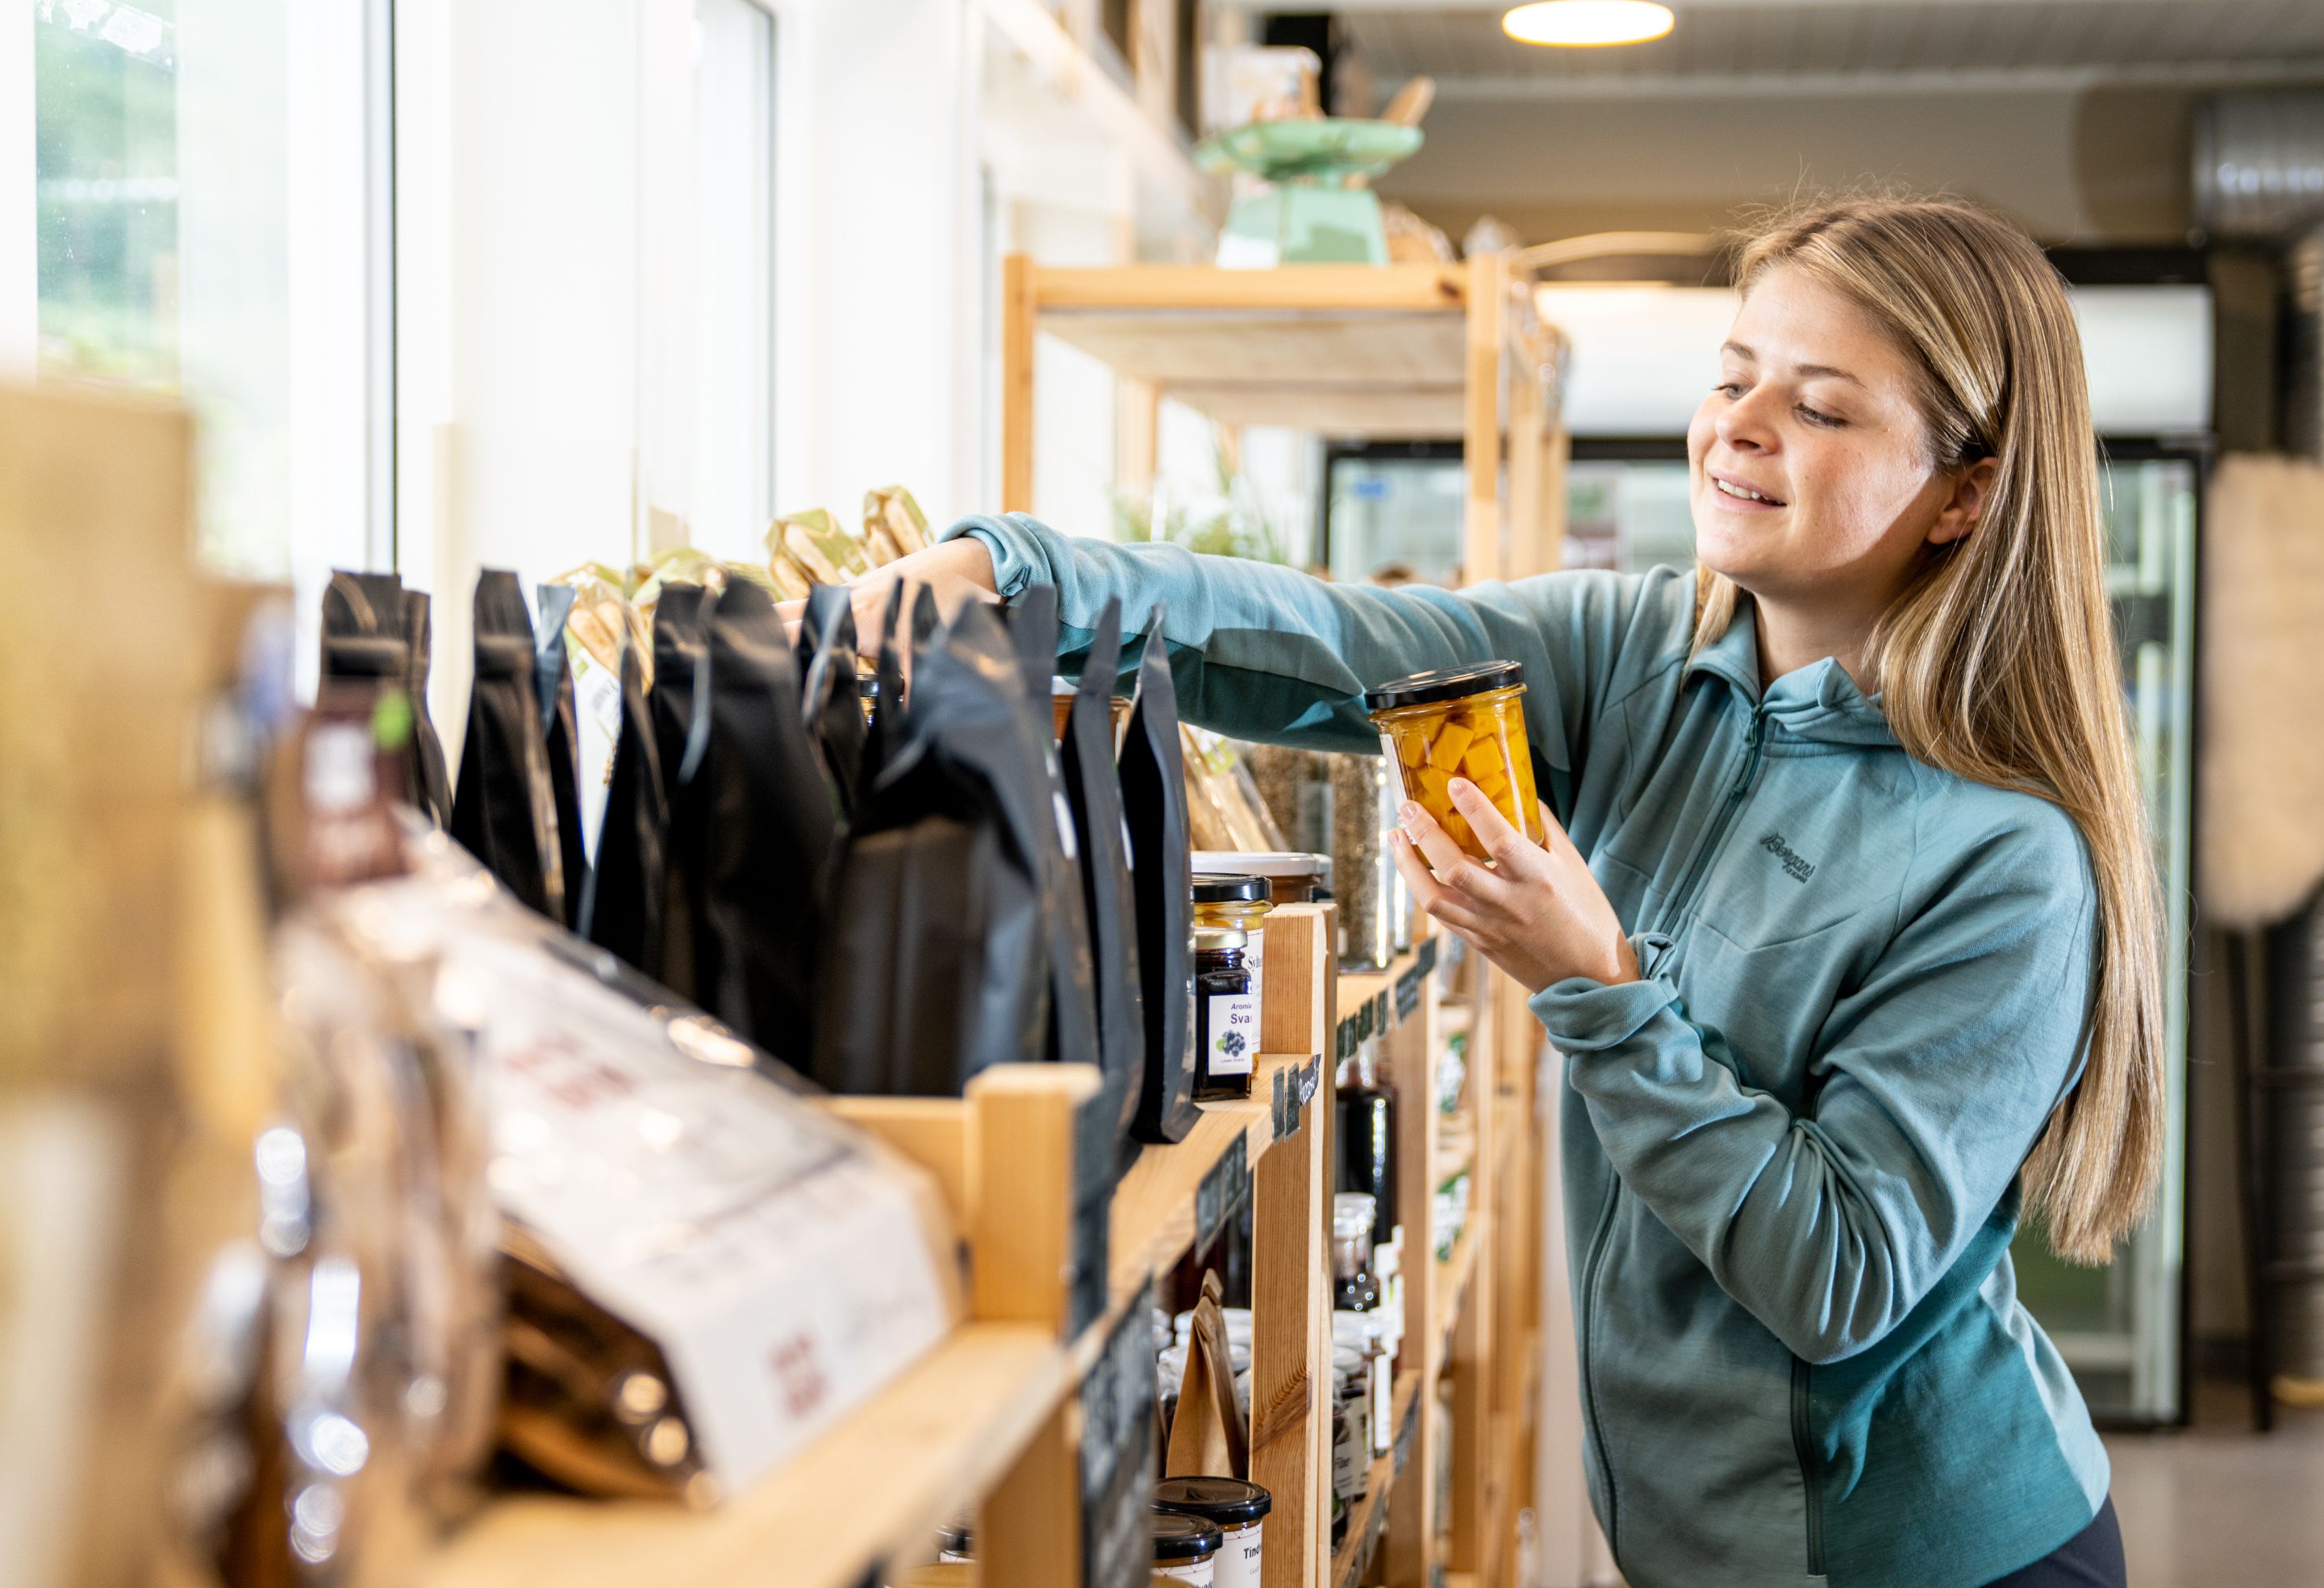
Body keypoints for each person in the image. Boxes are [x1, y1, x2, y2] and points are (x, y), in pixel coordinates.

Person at [828, 197, 2157, 1588]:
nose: (1741, 423)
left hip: (1930, 1557)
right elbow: (1333, 644)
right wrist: (1019, 575)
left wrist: (1598, 989)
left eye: (1820, 407)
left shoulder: (2007, 859)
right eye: (1732, 374)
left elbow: (1836, 1277)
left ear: (1967, 492)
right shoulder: (1636, 653)